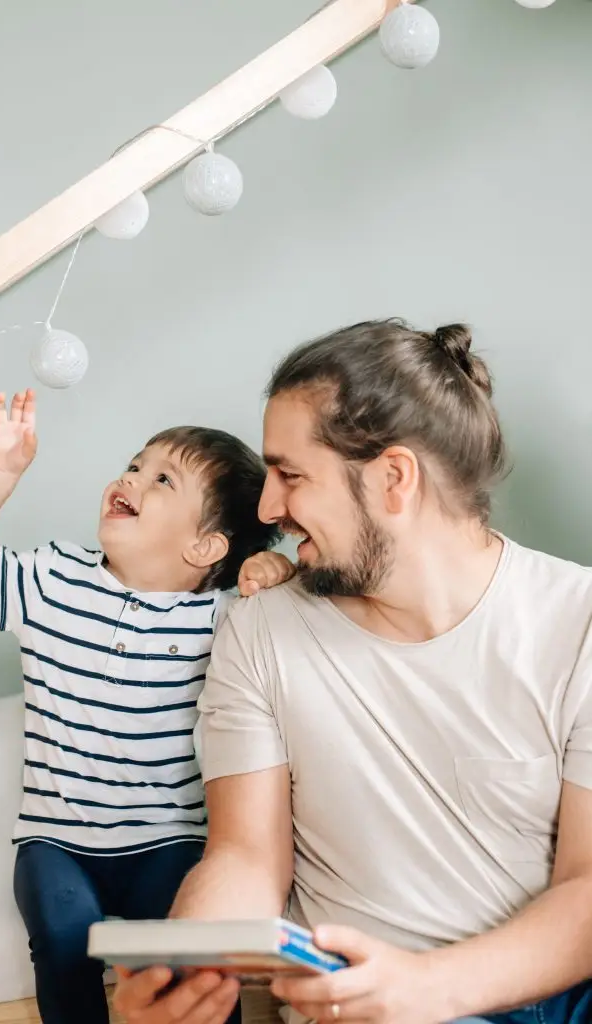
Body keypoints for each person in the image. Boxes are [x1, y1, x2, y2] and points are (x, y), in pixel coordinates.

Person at [113, 320, 592, 1024]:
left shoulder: (576, 621)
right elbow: (245, 855)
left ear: (394, 478)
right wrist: (193, 960)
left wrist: (427, 986)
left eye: (291, 476)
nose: (268, 509)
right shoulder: (259, 631)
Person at [0, 388, 295, 1024]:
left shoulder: (222, 619)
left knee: (192, 955)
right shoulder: (52, 579)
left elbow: (311, 615)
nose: (130, 479)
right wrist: (0, 472)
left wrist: (278, 572)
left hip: (165, 836)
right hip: (56, 840)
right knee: (65, 937)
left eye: (162, 480)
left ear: (205, 548)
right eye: (134, 465)